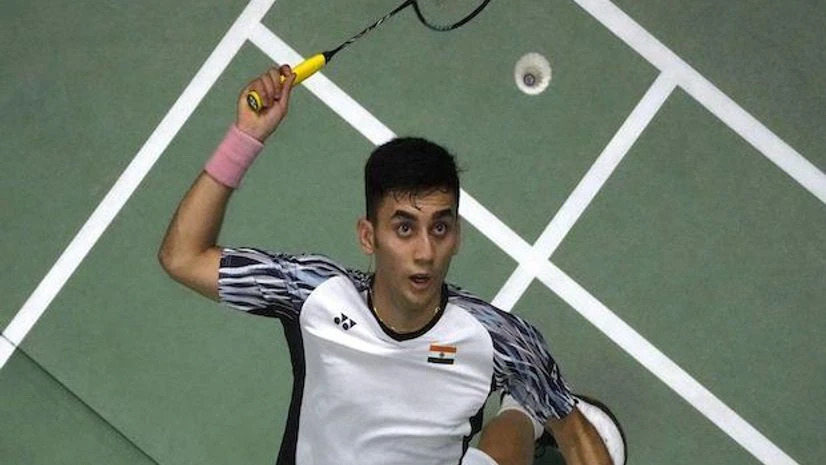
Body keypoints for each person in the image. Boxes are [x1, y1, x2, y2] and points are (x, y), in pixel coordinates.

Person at [159, 65, 623, 465]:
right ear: (368, 236)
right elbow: (183, 257)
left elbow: (577, 433)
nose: (425, 252)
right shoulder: (312, 294)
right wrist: (246, 137)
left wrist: (551, 411)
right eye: (404, 228)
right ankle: (520, 409)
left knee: (522, 422)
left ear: (456, 235)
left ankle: (522, 411)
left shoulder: (499, 340)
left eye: (439, 228)